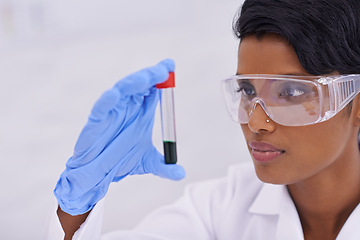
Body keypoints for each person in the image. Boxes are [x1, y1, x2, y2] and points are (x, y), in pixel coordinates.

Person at [47, 0, 360, 239]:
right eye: (247, 89)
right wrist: (77, 205)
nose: (256, 123)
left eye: (291, 92)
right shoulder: (217, 211)